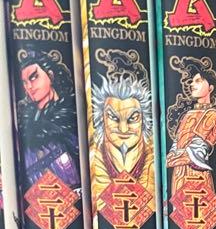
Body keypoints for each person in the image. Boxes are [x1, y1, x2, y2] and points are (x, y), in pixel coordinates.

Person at [89, 63, 155, 210]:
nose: (123, 129)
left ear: (144, 121)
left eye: (133, 118)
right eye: (113, 117)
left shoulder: (154, 160)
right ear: (102, 119)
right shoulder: (94, 159)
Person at [164, 59, 216, 210]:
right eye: (192, 81)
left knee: (199, 213)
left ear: (210, 88)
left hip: (196, 172)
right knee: (179, 213)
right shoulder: (188, 114)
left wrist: (171, 159)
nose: (192, 84)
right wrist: (173, 154)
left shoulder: (213, 114)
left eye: (198, 81)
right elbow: (177, 141)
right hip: (179, 173)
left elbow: (198, 148)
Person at [17, 50, 80, 188]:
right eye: (25, 82)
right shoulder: (26, 123)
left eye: (34, 77)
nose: (29, 86)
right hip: (36, 193)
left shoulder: (71, 114)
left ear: (50, 76)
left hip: (72, 189)